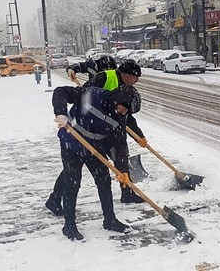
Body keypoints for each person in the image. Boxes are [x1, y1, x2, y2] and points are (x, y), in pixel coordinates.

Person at [45, 58, 145, 216]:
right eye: (135, 77)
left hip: (106, 130)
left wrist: (139, 136)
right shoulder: (105, 77)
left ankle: (127, 193)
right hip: (86, 128)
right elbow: (85, 94)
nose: (137, 80)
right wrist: (64, 113)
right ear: (126, 74)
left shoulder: (127, 93)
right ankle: (55, 199)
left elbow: (127, 116)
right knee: (72, 171)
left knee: (119, 159)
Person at [51, 84, 142, 240]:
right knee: (72, 182)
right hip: (72, 142)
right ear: (116, 99)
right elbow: (61, 92)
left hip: (94, 148)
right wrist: (61, 113)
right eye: (124, 108)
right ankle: (69, 225)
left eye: (128, 111)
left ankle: (110, 220)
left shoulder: (119, 118)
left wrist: (123, 170)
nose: (124, 112)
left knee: (104, 181)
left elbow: (119, 145)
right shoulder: (91, 94)